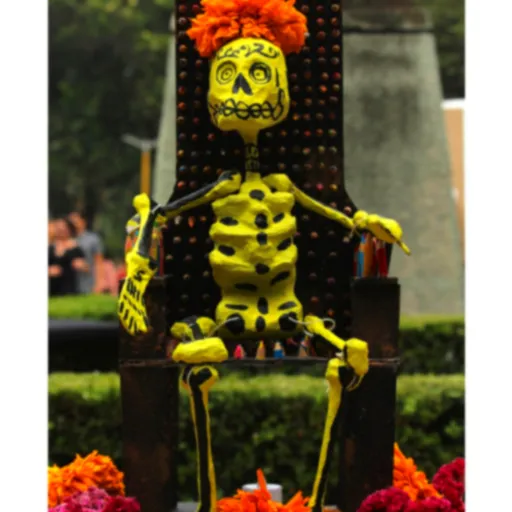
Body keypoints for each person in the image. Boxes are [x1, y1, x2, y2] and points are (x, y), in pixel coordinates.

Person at [68, 211, 105, 294]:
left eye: (76, 222)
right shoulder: (65, 240)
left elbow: (99, 262)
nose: (73, 225)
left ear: (83, 222)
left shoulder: (93, 239)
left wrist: (99, 282)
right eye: (70, 223)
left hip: (88, 281)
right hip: (69, 284)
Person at [49, 218, 88, 296]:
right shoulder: (49, 248)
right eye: (58, 228)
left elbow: (86, 268)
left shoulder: (76, 247)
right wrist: (49, 271)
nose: (61, 230)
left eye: (64, 227)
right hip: (51, 289)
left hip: (70, 288)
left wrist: (81, 266)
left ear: (69, 229)